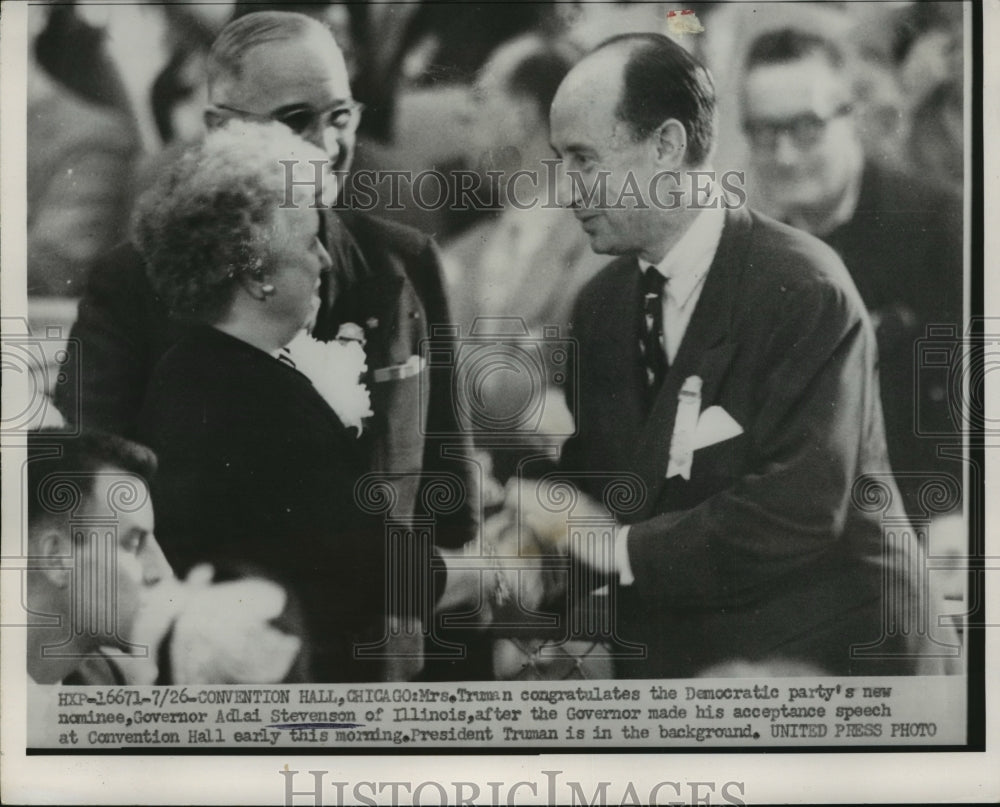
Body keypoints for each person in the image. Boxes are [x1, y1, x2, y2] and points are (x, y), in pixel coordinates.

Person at [511, 32, 955, 678]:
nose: (567, 188)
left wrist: (608, 544)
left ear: (666, 146)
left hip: (852, 672)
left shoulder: (806, 284)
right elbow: (604, 487)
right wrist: (527, 530)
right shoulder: (600, 305)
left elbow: (799, 507)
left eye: (583, 159)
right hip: (707, 666)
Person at [55, 11, 477, 557]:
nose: (328, 144)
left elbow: (451, 508)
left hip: (383, 627)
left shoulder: (405, 263)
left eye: (341, 116)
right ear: (219, 129)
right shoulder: (134, 282)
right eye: (296, 119)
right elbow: (91, 489)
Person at [740, 28, 963, 519]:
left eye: (805, 128)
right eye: (763, 132)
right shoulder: (754, 251)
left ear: (853, 117)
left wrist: (957, 511)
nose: (783, 156)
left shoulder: (939, 227)